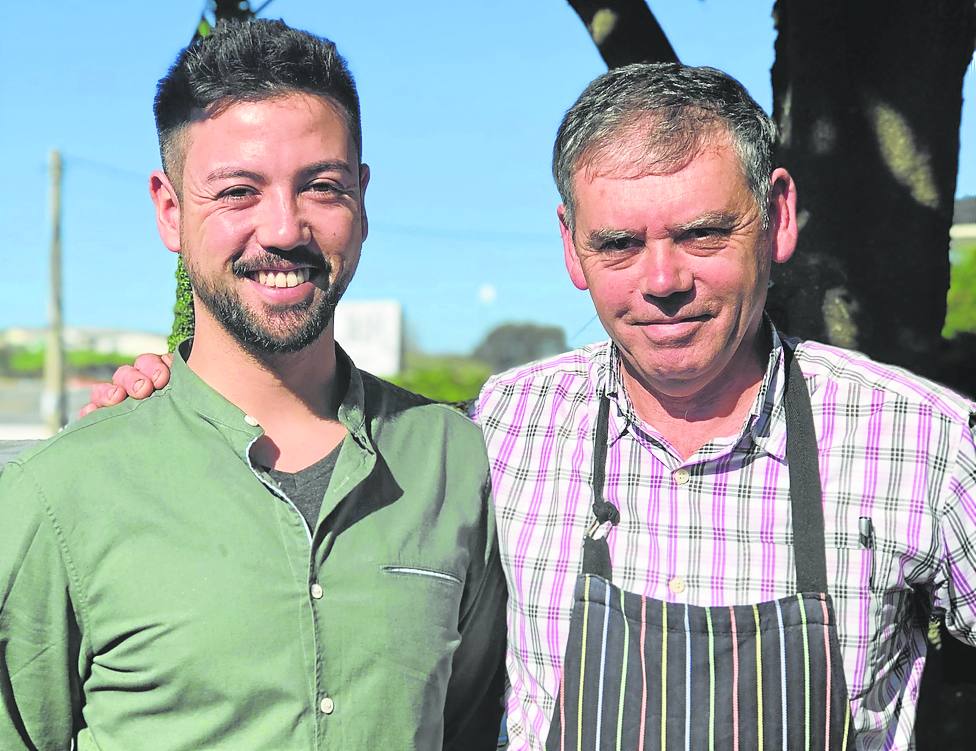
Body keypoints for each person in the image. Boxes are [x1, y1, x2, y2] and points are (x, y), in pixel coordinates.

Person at [86, 63, 976, 750]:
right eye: (619, 243)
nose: (662, 280)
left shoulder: (918, 439)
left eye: (702, 233)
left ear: (776, 216)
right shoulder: (504, 429)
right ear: (570, 248)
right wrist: (165, 404)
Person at [0, 20, 505, 751]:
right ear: (170, 210)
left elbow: (471, 723)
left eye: (321, 187)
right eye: (238, 191)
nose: (283, 228)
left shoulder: (454, 461)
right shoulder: (59, 493)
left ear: (362, 200)